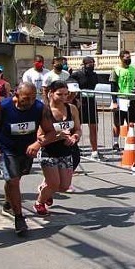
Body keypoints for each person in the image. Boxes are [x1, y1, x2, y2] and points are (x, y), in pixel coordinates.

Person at [0, 82, 54, 236]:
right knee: (13, 181)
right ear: (16, 95)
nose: (30, 102)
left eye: (33, 98)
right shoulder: (3, 107)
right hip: (6, 150)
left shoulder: (40, 108)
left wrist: (37, 143)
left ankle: (8, 204)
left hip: (26, 151)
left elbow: (51, 132)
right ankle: (19, 218)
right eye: (26, 98)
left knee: (14, 180)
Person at [34, 80, 82, 216]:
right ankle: (39, 203)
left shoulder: (71, 109)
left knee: (64, 186)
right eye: (59, 94)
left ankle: (46, 190)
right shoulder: (45, 111)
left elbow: (78, 129)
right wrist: (58, 136)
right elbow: (40, 137)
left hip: (66, 151)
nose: (63, 98)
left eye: (66, 94)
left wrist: (74, 137)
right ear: (51, 93)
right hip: (49, 151)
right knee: (54, 184)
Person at [109, 50, 135, 152]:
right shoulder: (116, 69)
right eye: (126, 58)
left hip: (131, 99)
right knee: (117, 123)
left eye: (129, 57)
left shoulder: (133, 69)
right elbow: (113, 86)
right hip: (120, 99)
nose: (128, 59)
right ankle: (116, 143)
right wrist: (114, 101)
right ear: (121, 58)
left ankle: (130, 142)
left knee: (131, 122)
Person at [71, 56, 101, 159]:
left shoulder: (94, 75)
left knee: (93, 127)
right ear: (84, 64)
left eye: (93, 63)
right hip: (79, 104)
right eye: (89, 63)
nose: (91, 65)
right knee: (76, 127)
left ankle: (94, 151)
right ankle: (73, 149)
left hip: (91, 102)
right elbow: (70, 86)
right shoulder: (77, 75)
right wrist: (76, 99)